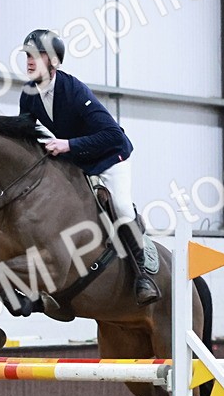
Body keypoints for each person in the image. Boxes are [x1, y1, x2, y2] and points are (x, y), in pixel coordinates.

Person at [17, 29, 160, 306]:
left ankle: (142, 274)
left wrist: (68, 145)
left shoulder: (74, 91)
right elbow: (27, 135)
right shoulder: (29, 95)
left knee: (119, 206)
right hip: (78, 160)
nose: (30, 61)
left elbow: (113, 135)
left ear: (54, 62)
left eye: (38, 55)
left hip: (109, 157)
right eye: (28, 55)